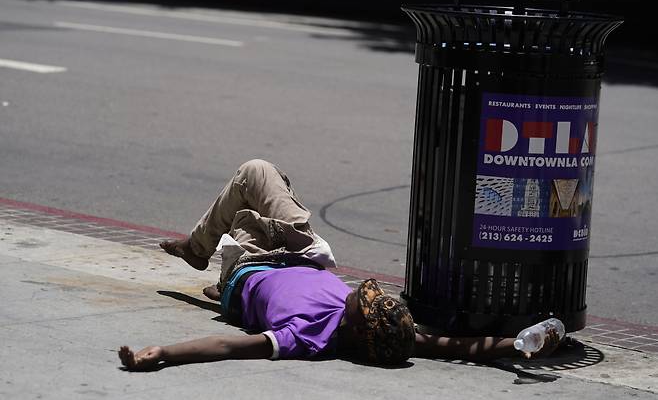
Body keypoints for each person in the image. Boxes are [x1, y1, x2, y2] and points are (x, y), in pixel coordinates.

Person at [118, 159, 561, 371]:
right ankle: (202, 253)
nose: (361, 294)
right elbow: (456, 348)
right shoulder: (394, 333)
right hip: (302, 250)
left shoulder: (305, 338)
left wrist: (161, 354)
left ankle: (205, 256)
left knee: (252, 179)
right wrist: (520, 344)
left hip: (252, 263)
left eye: (361, 302)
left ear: (356, 326)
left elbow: (226, 347)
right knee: (266, 177)